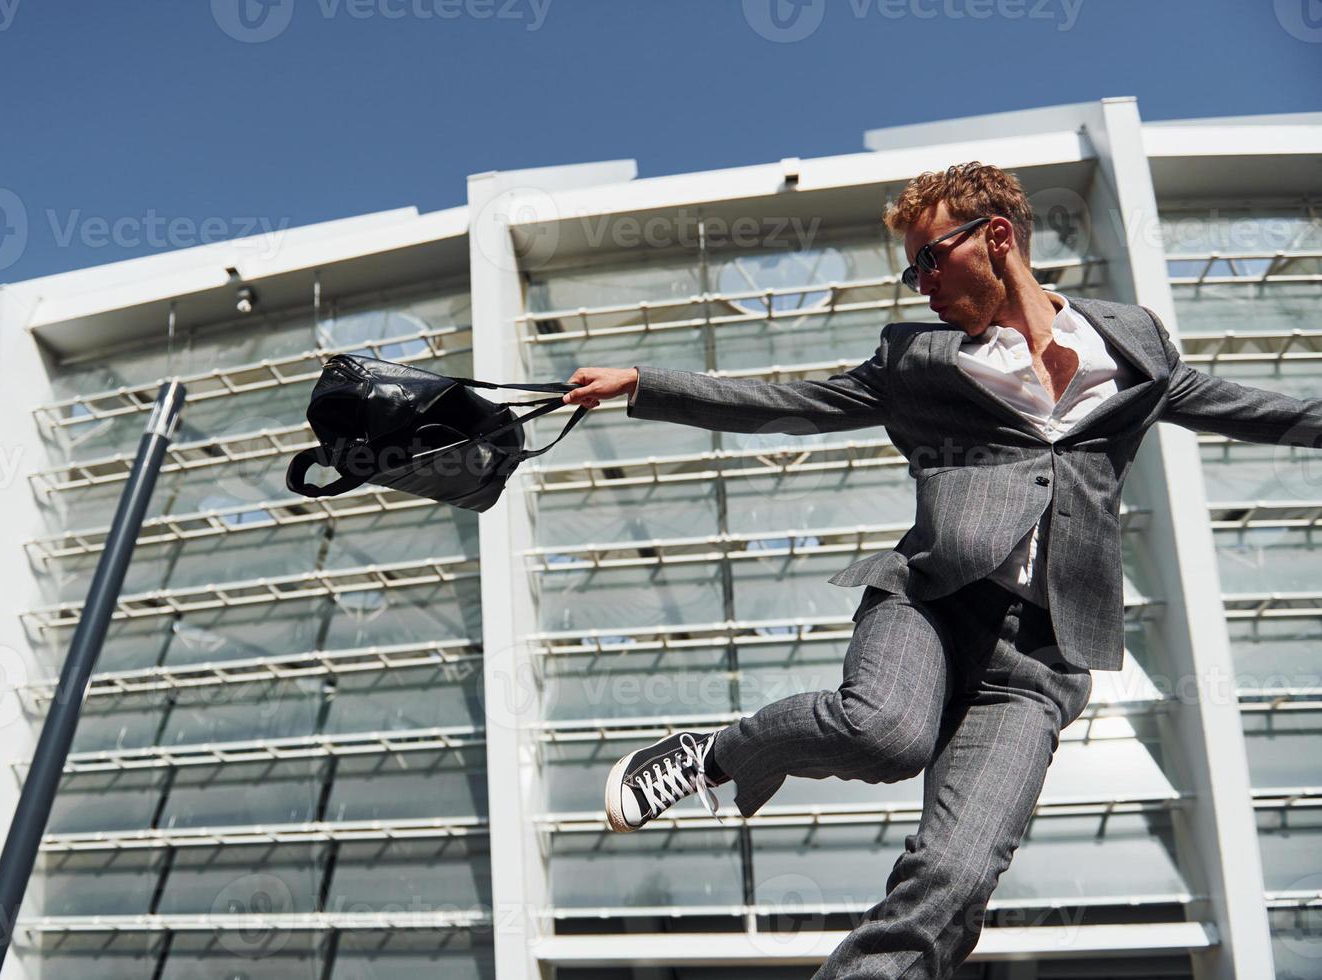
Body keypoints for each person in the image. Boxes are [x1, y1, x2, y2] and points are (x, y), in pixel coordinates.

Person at [561, 161, 1322, 979]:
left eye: (930, 258)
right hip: (927, 605)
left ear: (995, 238)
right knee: (884, 732)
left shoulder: (1132, 346)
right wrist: (645, 385)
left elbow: (1255, 409)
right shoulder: (917, 364)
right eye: (910, 266)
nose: (918, 283)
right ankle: (717, 753)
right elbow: (788, 401)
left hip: (1038, 662)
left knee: (954, 881)